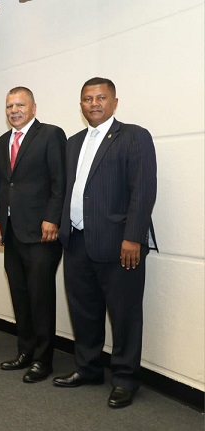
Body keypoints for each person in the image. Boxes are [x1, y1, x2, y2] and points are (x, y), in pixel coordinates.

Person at [52, 77, 157, 409]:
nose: (93, 103)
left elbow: (144, 190)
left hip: (119, 244)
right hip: (78, 240)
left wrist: (133, 237)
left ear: (114, 102)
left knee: (125, 314)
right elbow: (68, 189)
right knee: (84, 309)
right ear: (80, 105)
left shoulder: (134, 136)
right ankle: (88, 368)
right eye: (87, 98)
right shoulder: (73, 142)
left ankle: (126, 379)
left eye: (100, 98)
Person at [0, 87, 66, 382]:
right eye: (9, 105)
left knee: (40, 297)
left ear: (34, 107)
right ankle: (26, 351)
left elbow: (60, 181)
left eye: (20, 104)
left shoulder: (50, 134)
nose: (14, 110)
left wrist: (52, 218)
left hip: (41, 233)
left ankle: (44, 360)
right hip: (11, 232)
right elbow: (0, 185)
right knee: (20, 295)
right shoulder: (1, 141)